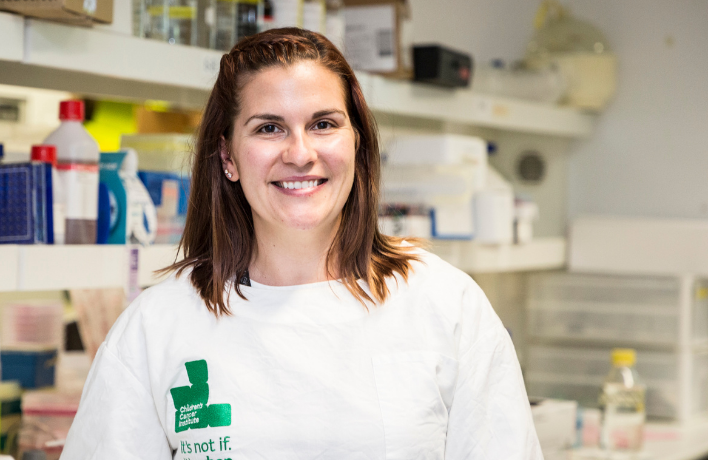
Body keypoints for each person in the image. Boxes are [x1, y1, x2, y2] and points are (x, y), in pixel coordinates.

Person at [61, 28, 542, 460]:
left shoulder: (445, 305)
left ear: (356, 142)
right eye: (269, 128)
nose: (300, 153)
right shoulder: (159, 326)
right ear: (228, 157)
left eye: (323, 124)